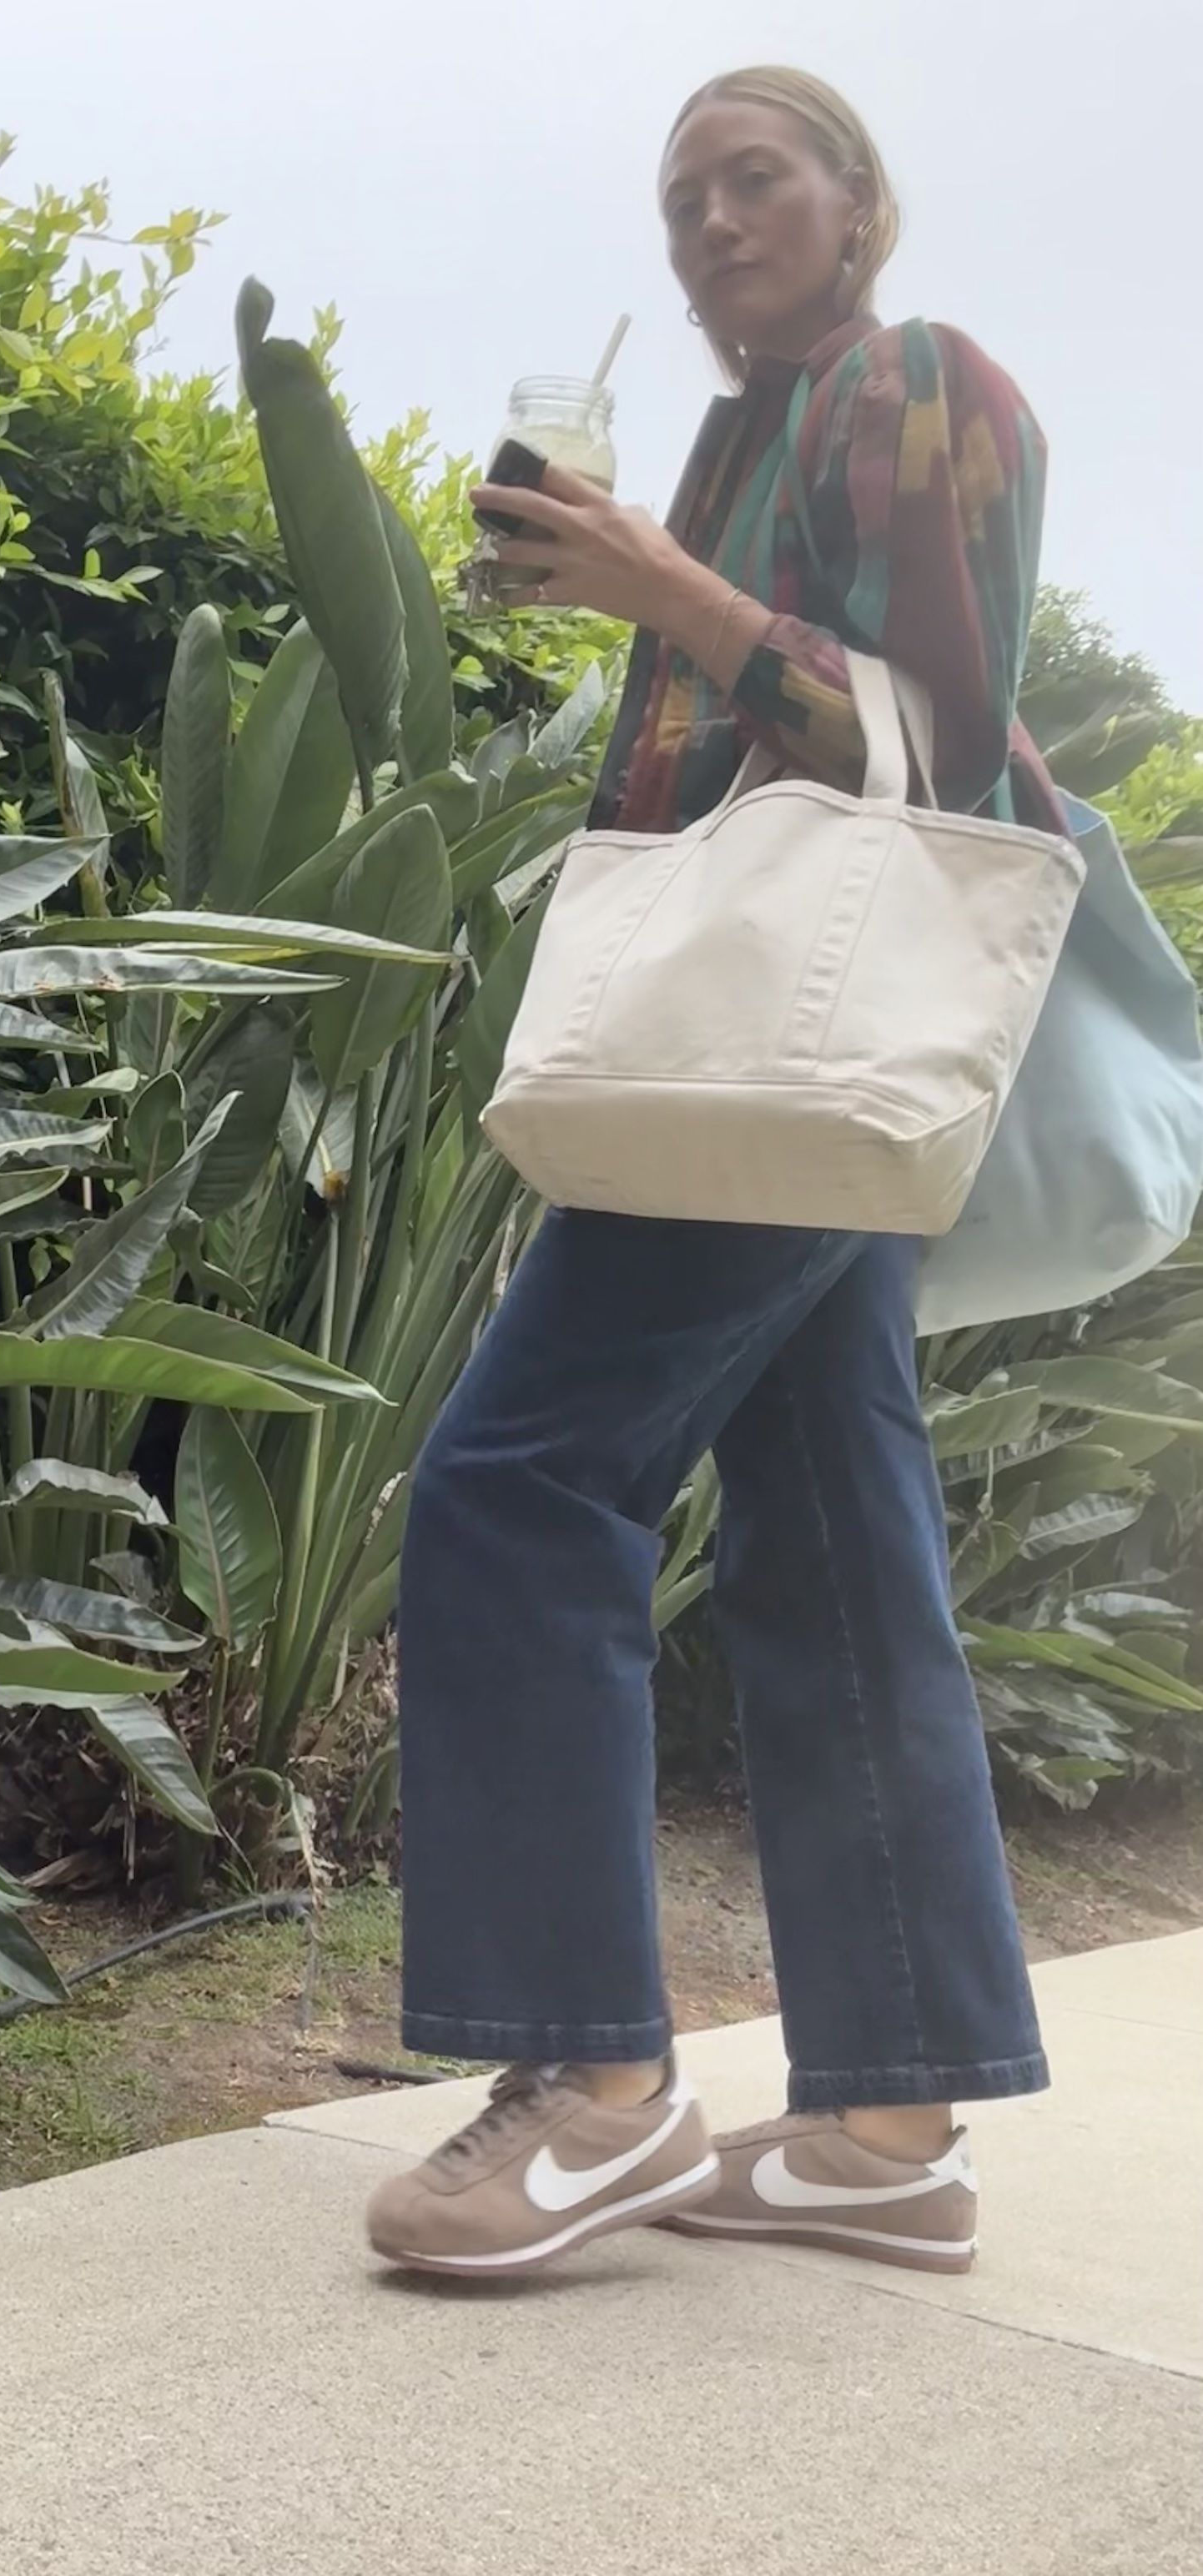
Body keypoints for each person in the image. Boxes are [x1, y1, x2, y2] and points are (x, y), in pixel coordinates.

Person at [368, 65, 1057, 2281]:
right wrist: (653, 592)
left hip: (798, 1030)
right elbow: (762, 724)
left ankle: (585, 2081)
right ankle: (883, 2127)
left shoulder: (911, 381)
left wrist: (667, 588)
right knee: (836, 1548)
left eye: (747, 176)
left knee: (515, 1479)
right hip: (772, 1056)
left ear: (857, 199)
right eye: (676, 200)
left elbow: (933, 739)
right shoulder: (739, 440)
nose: (703, 223)